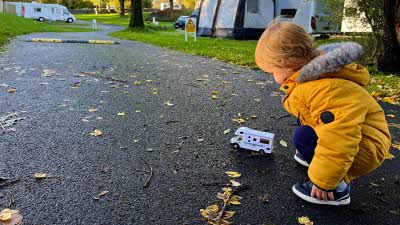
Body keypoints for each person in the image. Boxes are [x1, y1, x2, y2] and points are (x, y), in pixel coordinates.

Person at [255, 21, 392, 206]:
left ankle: (337, 189)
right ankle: (314, 157)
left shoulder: (325, 88)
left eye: (272, 71)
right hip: (358, 139)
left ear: (286, 63)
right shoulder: (314, 78)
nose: (272, 77)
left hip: (364, 147)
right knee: (305, 120)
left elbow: (339, 138)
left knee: (304, 134)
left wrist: (324, 181)